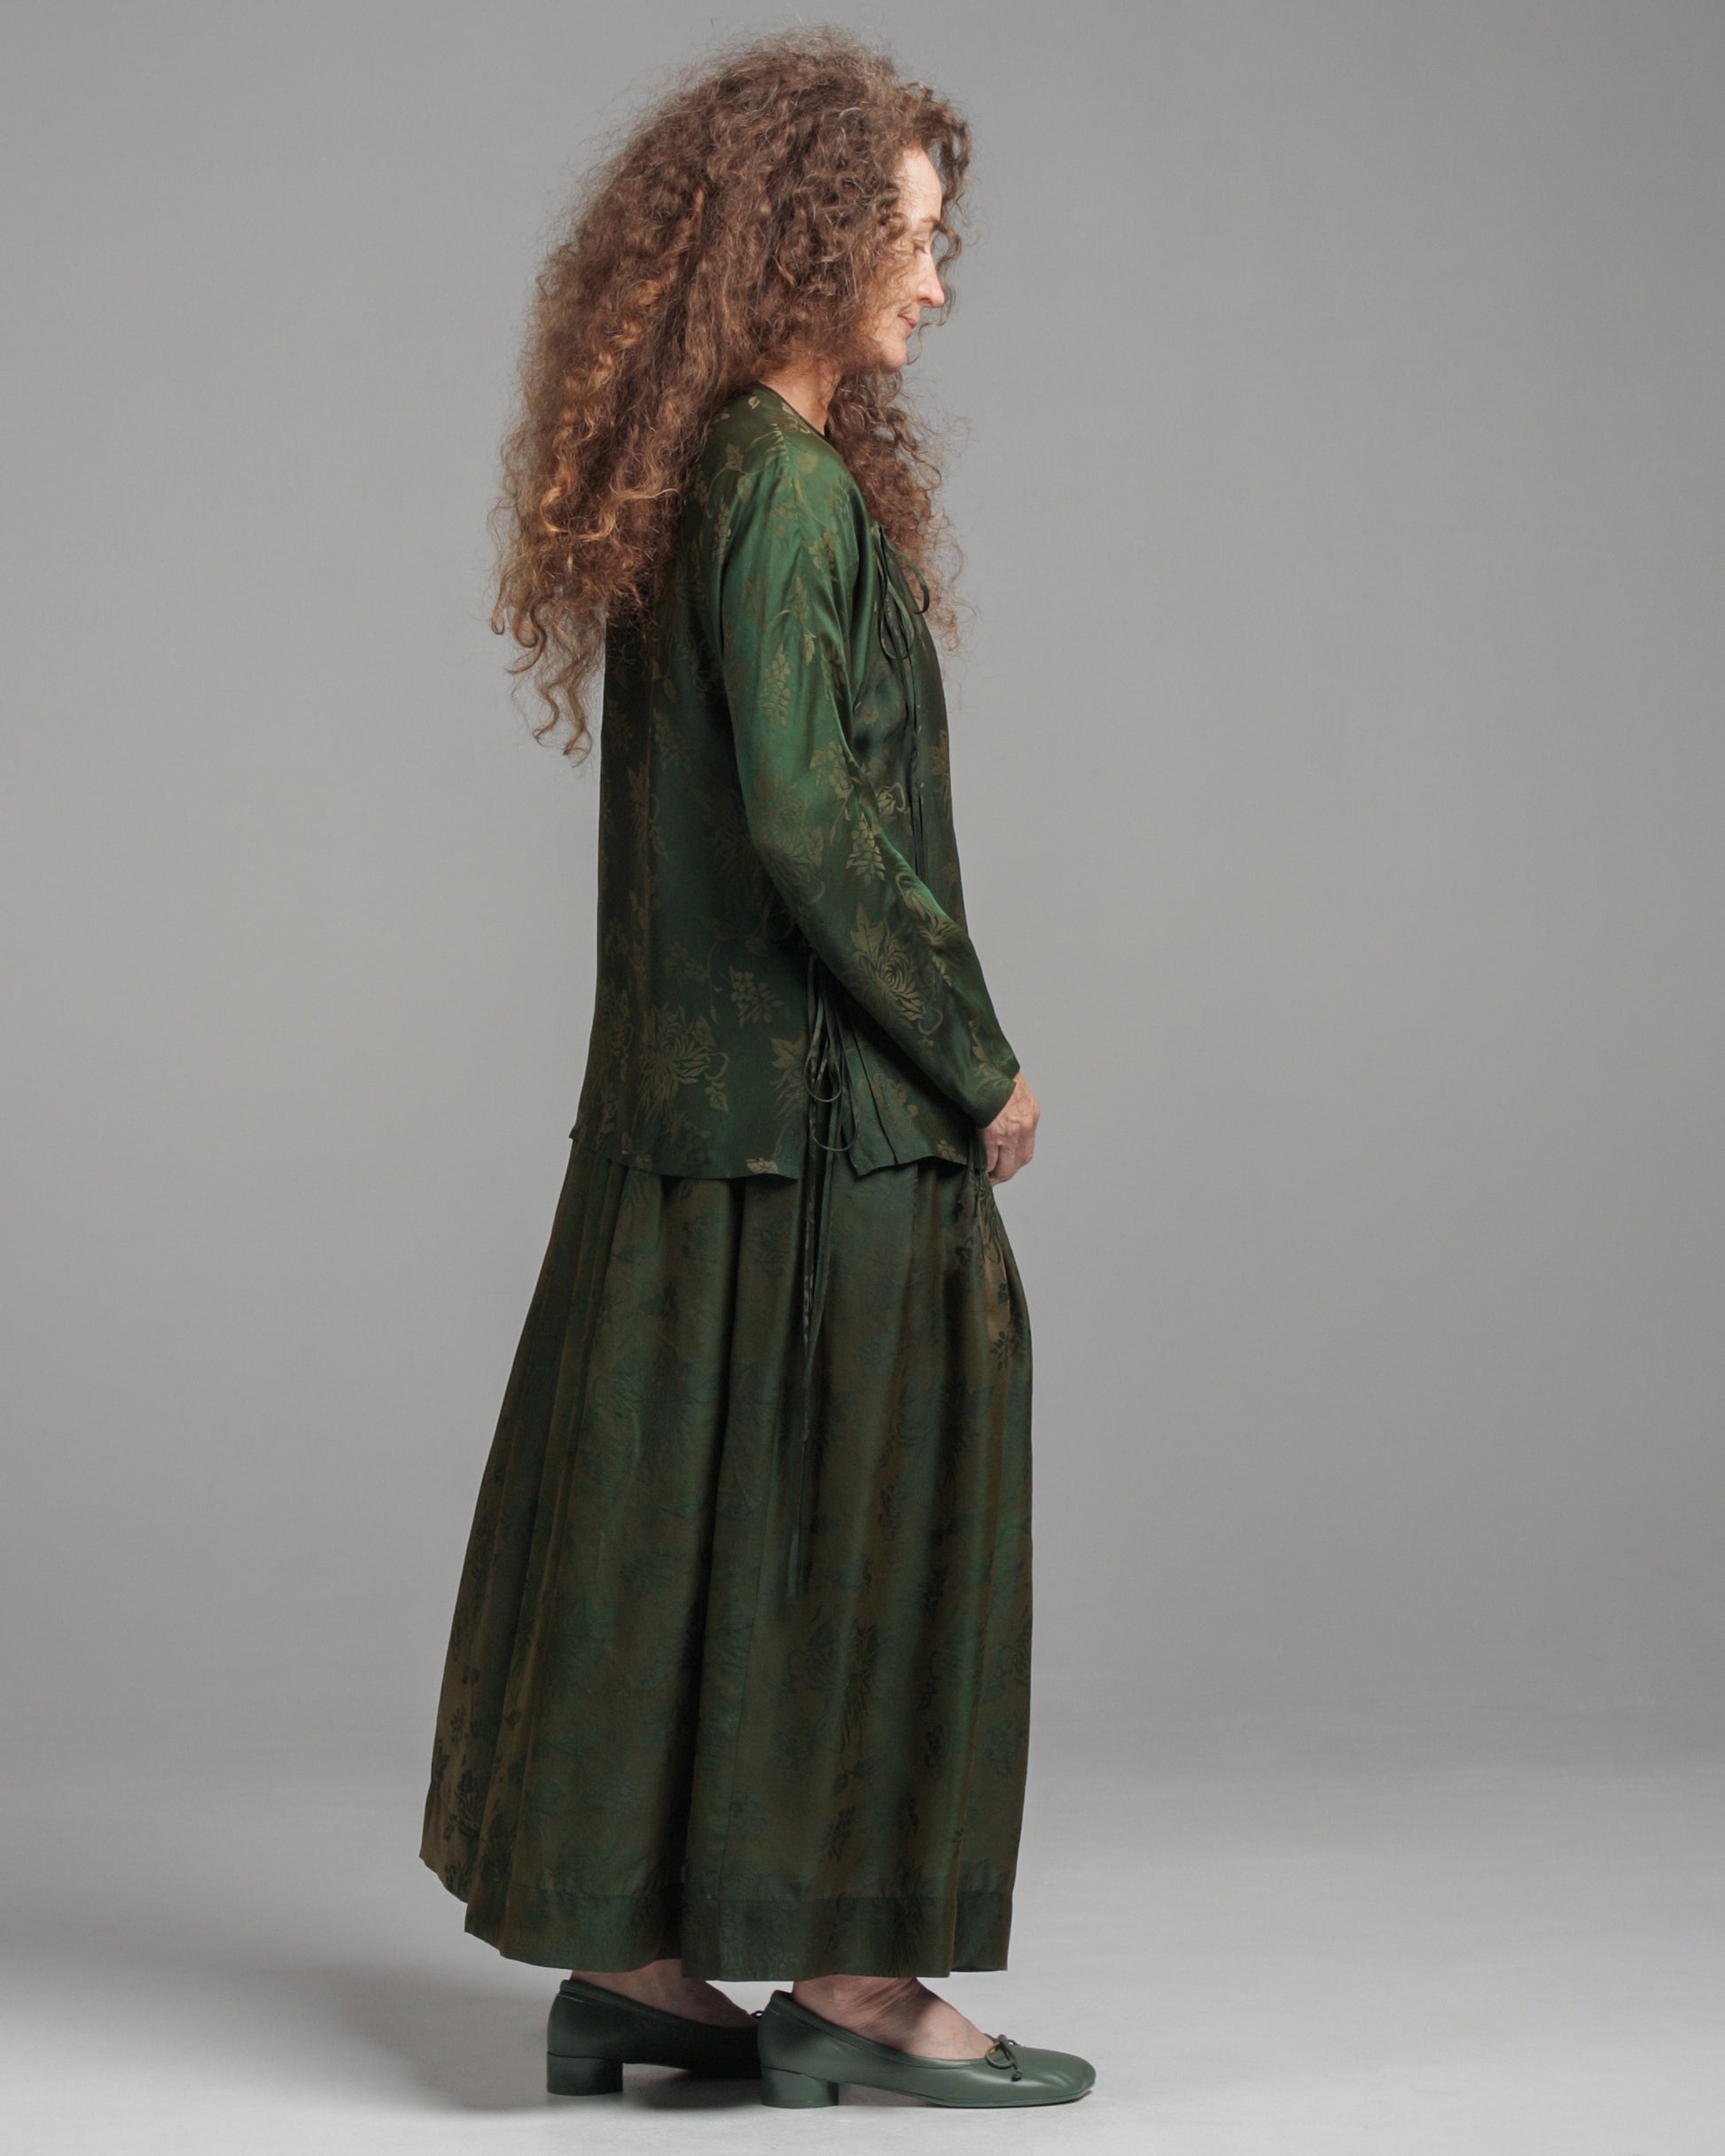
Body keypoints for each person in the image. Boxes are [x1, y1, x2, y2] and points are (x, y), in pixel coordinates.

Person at [418, 26, 1093, 2110]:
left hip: (698, 1133)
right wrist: (976, 1056)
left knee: (689, 1518)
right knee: (878, 1514)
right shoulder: (783, 491)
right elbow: (810, 825)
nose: (938, 283)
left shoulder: (716, 469)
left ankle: (633, 1967)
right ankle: (863, 1987)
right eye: (912, 238)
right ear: (801, 240)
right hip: (824, 1130)